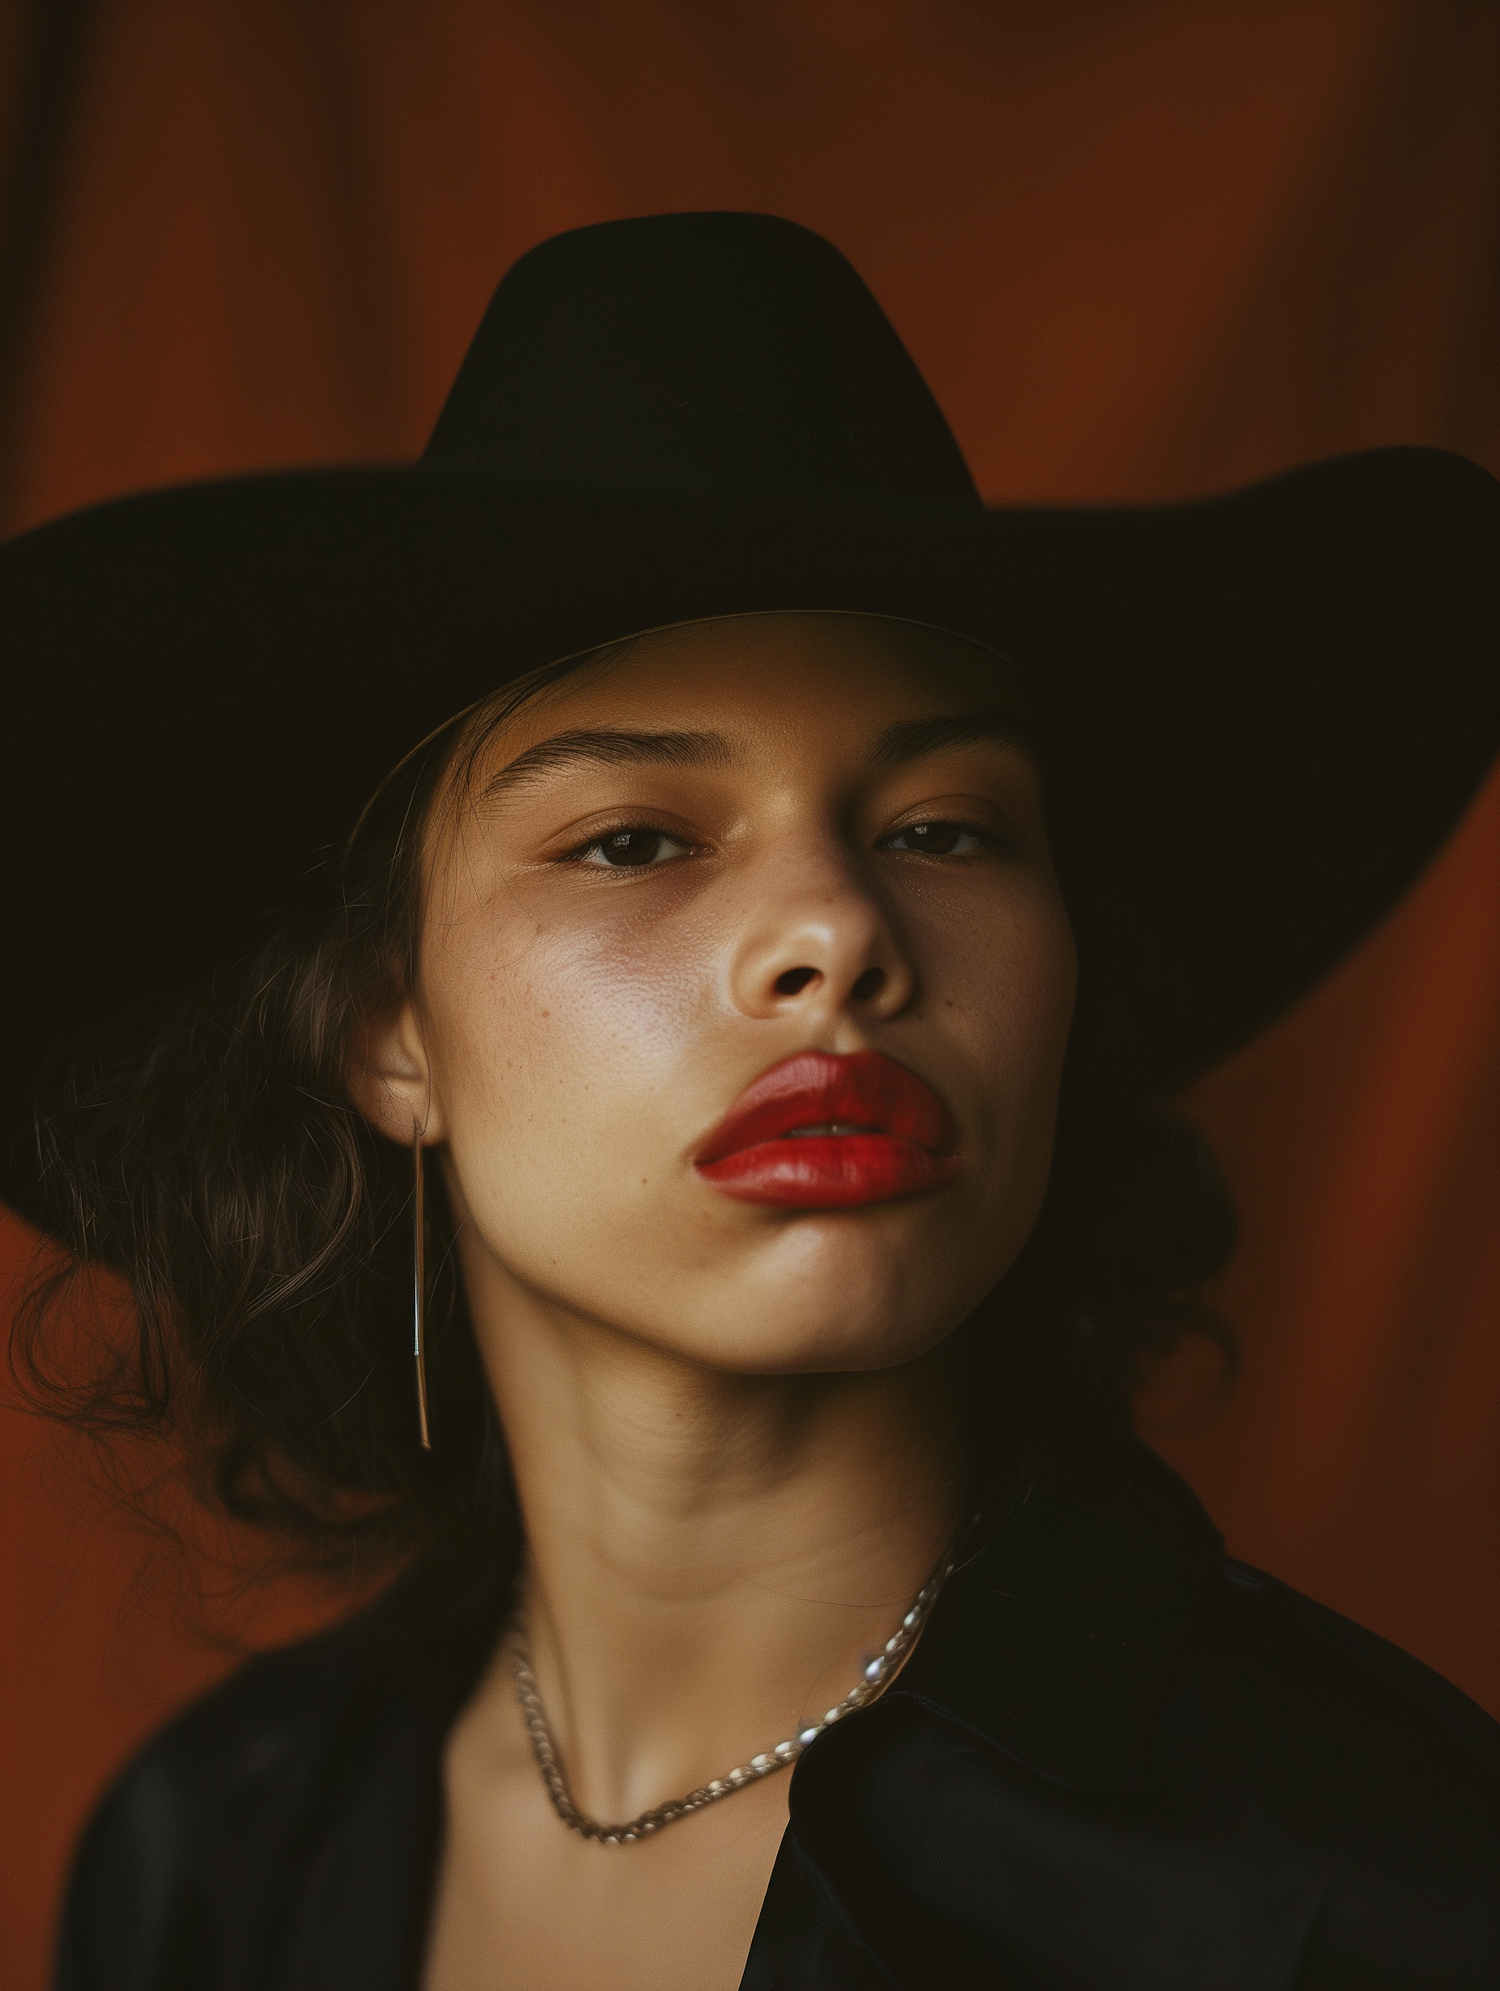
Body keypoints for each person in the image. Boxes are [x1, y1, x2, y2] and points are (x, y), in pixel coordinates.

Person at [3, 213, 1497, 1991]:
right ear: (387, 1031)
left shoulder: (1382, 1892)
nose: (842, 935)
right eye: (634, 839)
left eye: (945, 828)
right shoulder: (214, 1859)